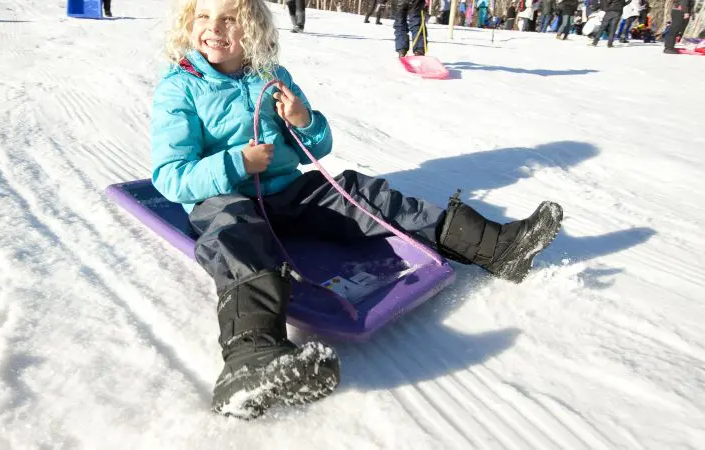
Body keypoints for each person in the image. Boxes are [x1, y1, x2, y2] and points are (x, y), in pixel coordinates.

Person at [153, 0, 564, 419]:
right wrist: (237, 163)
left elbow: (315, 149)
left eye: (228, 18)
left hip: (284, 189)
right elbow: (170, 176)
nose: (214, 28)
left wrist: (302, 120)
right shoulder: (180, 86)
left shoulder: (270, 76)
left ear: (252, 26)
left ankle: (494, 247)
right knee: (236, 236)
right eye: (203, 16)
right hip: (221, 196)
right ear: (189, 21)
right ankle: (251, 358)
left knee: (358, 192)